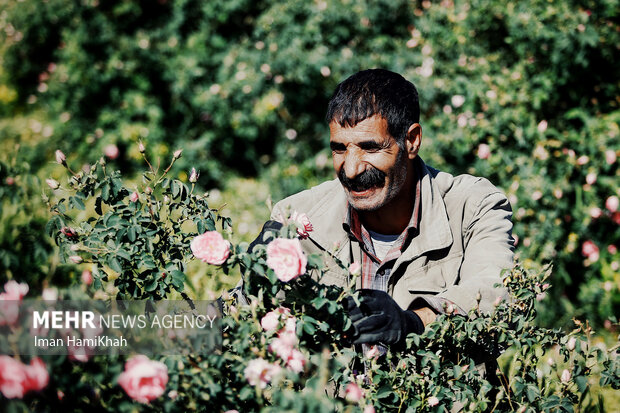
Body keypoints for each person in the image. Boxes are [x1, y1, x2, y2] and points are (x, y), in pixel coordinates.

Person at [246, 68, 514, 352]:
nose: (351, 169)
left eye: (370, 148)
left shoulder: (472, 207)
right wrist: (253, 274)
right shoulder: (296, 218)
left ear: (411, 140)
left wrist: (413, 323)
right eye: (339, 149)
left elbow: (498, 297)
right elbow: (236, 319)